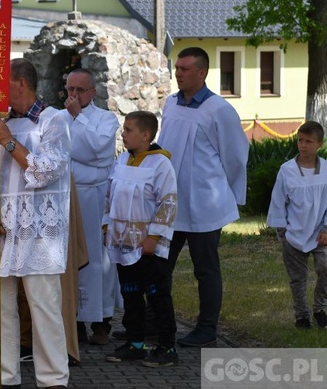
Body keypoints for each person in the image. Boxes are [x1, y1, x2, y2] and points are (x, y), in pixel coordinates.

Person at [0, 58, 72, 388]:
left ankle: (53, 380)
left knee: (44, 309)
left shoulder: (54, 121)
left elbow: (45, 171)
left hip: (39, 230)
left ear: (20, 84)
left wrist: (9, 142)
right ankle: (2, 377)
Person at [157, 46, 248, 347]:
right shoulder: (170, 104)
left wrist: (231, 194)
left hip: (204, 204)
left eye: (184, 69)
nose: (178, 74)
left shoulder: (219, 110)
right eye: (177, 68)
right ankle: (153, 323)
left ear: (202, 72)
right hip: (171, 202)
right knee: (159, 265)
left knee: (205, 270)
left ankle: (207, 330)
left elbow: (235, 156)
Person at [103, 111, 178, 367]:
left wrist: (154, 237)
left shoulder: (161, 165)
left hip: (147, 245)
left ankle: (167, 347)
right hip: (123, 244)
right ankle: (135, 344)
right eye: (123, 129)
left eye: (128, 130)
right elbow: (109, 195)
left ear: (146, 135)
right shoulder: (122, 159)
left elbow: (167, 202)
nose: (123, 134)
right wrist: (107, 227)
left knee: (157, 296)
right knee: (130, 294)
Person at [62, 68, 120, 345]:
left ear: (92, 92)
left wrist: (78, 118)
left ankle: (101, 321)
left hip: (95, 196)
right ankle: (74, 322)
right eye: (69, 89)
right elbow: (63, 152)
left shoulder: (106, 118)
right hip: (67, 196)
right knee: (71, 257)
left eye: (79, 90)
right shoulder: (59, 118)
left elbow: (97, 150)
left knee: (98, 259)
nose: (73, 95)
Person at [267, 121, 327, 329]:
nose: (303, 145)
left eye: (308, 141)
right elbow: (278, 201)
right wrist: (282, 232)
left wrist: (326, 229)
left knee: (325, 267)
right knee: (297, 278)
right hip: (294, 233)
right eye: (300, 140)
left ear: (319, 143)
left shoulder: (326, 170)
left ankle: (320, 309)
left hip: (321, 233)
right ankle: (302, 316)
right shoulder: (287, 170)